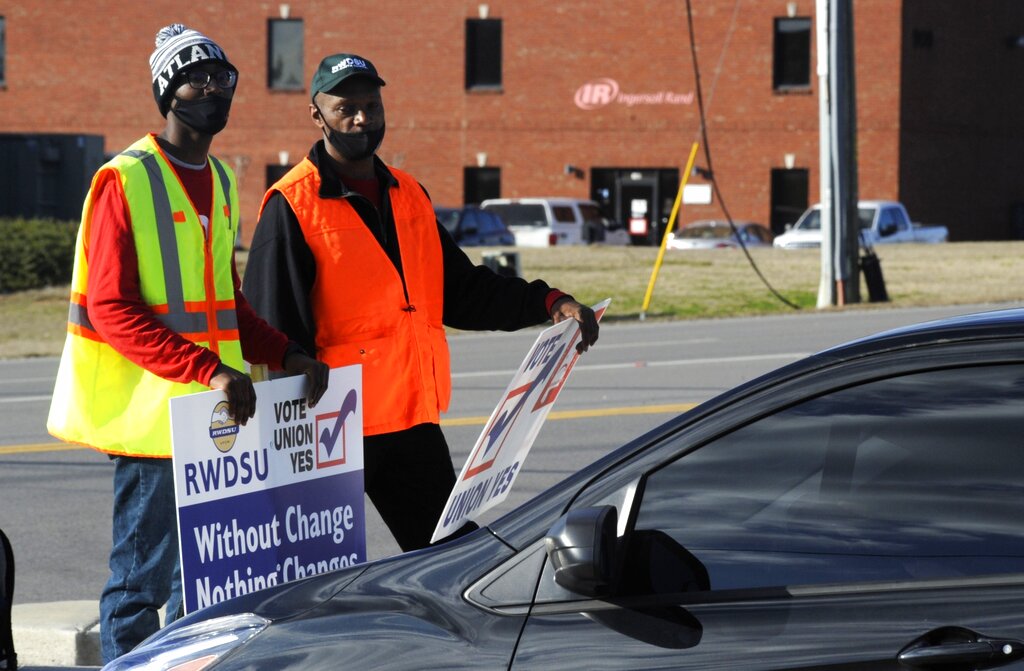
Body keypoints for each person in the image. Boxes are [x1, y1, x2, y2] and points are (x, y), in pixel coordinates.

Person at [46, 24, 329, 663]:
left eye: (221, 79)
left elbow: (224, 304)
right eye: (196, 78)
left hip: (212, 420)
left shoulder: (221, 181)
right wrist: (210, 371)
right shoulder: (126, 179)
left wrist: (287, 353)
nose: (211, 90)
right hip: (151, 425)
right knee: (138, 586)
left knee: (201, 584)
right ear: (166, 91)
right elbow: (112, 308)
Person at [242, 53, 599, 554]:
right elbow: (270, 326)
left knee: (451, 558)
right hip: (327, 425)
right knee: (310, 575)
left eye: (371, 105)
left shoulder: (410, 195)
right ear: (316, 115)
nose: (362, 118)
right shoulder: (292, 204)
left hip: (409, 422)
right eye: (346, 107)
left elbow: (462, 292)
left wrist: (549, 301)